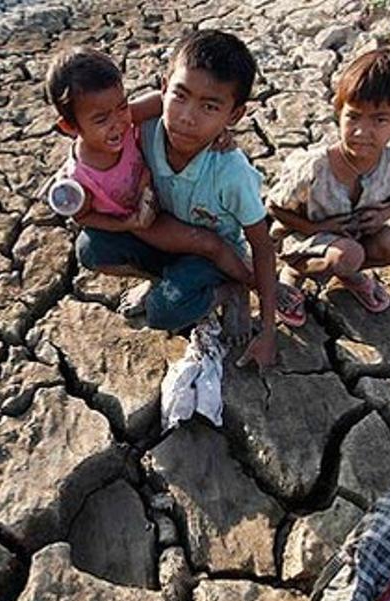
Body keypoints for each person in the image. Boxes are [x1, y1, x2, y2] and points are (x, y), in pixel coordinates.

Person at [74, 30, 284, 368]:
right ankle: (165, 280)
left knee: (162, 312)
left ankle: (227, 291)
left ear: (234, 116)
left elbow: (261, 245)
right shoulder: (145, 127)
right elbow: (107, 124)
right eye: (180, 96)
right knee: (90, 248)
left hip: (212, 255)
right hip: (161, 235)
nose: (187, 116)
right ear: (163, 86)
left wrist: (269, 332)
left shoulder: (231, 172)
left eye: (210, 107)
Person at [44, 46, 253, 295]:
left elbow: (164, 99)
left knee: (211, 244)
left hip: (161, 200)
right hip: (144, 221)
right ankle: (234, 285)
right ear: (69, 126)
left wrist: (217, 127)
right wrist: (127, 223)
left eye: (122, 106)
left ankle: (256, 284)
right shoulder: (79, 180)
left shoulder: (125, 120)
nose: (118, 124)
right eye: (101, 120)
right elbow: (83, 217)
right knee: (207, 244)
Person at [266, 48, 390, 325]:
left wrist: (381, 217)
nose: (362, 131)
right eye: (353, 116)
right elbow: (273, 207)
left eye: (379, 120)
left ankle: (347, 274)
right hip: (302, 239)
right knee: (348, 254)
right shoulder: (314, 167)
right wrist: (317, 229)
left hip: (352, 239)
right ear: (339, 112)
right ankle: (293, 275)